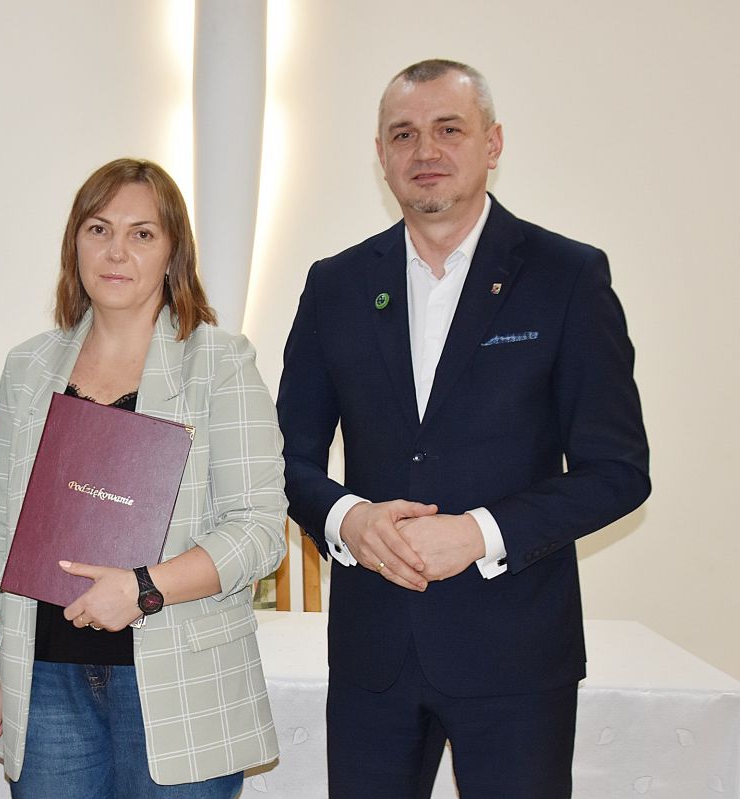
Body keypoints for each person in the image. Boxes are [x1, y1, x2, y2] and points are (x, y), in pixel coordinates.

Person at [277, 60, 651, 798]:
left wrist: (479, 533)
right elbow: (284, 459)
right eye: (404, 134)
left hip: (517, 657)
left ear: (493, 143)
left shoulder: (568, 276)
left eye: (449, 129)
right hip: (373, 655)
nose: (426, 150)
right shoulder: (336, 284)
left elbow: (617, 472)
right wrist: (349, 520)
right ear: (381, 155)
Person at [0, 158, 286, 798]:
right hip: (44, 681)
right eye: (99, 229)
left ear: (172, 253)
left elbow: (259, 531)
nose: (117, 251)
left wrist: (143, 589)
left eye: (142, 233)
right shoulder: (29, 367)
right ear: (74, 245)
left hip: (180, 680)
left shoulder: (220, 362)